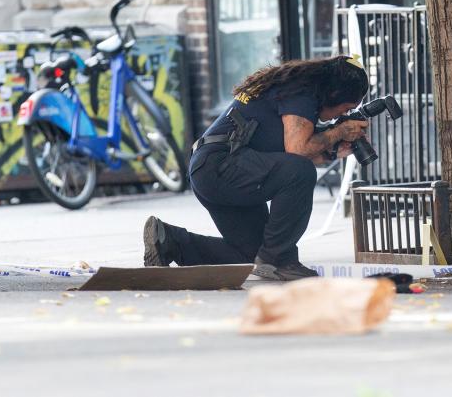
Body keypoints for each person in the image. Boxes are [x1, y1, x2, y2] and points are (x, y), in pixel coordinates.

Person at [143, 55, 370, 280]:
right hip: (220, 166)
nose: (343, 115)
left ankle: (170, 241)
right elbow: (298, 152)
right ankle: (280, 260)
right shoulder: (302, 92)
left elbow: (288, 156)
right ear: (334, 93)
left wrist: (334, 150)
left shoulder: (296, 90)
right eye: (345, 108)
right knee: (301, 172)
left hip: (213, 169)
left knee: (252, 252)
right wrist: (338, 132)